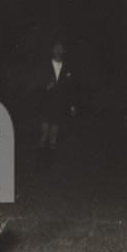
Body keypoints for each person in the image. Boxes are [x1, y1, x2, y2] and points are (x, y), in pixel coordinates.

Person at [34, 39, 78, 168]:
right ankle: (39, 163)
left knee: (54, 134)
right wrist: (46, 86)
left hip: (59, 106)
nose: (58, 51)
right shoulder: (44, 66)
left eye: (60, 48)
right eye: (56, 48)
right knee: (44, 132)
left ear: (63, 51)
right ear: (52, 51)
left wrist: (72, 105)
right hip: (46, 104)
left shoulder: (67, 68)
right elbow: (37, 85)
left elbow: (70, 89)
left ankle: (49, 164)